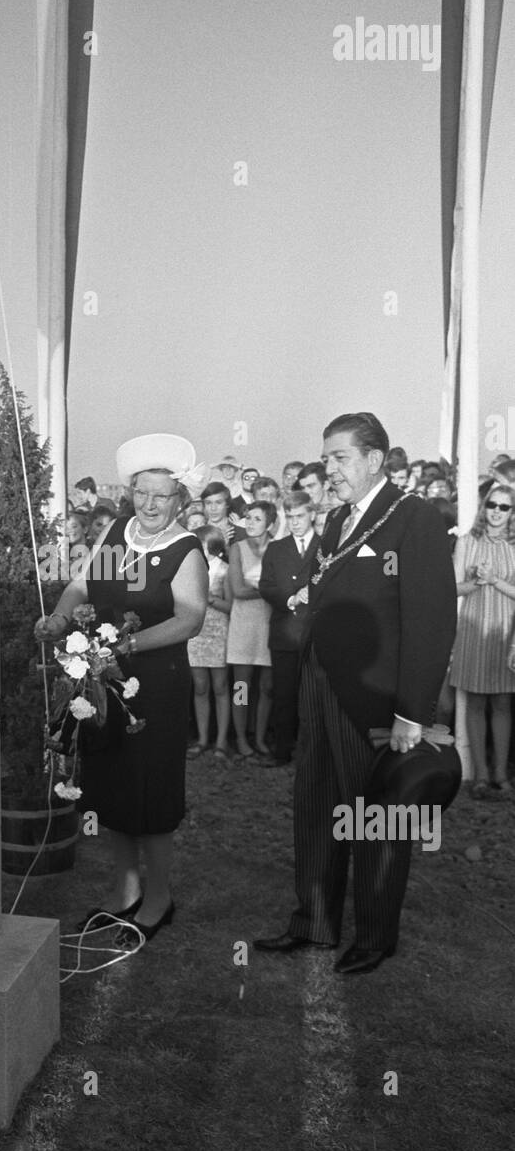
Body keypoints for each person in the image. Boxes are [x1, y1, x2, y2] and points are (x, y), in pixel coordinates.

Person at [255, 412, 457, 976]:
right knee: (316, 808)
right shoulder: (338, 519)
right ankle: (314, 921)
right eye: (326, 459)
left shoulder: (413, 516)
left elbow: (432, 622)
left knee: (376, 819)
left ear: (374, 459)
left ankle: (374, 934)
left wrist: (412, 713)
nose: (331, 470)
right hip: (319, 687)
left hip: (375, 701)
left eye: (340, 458)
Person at [34, 434, 208, 949]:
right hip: (102, 683)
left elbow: (189, 620)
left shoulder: (185, 549)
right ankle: (125, 889)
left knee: (151, 791)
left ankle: (159, 897)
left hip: (155, 689)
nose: (150, 505)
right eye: (141, 493)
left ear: (180, 499)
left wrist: (127, 645)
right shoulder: (116, 533)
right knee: (112, 784)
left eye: (162, 496)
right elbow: (83, 587)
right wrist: (60, 617)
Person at [449, 483, 515, 799]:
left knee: (502, 702)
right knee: (474, 702)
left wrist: (495, 580)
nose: (497, 512)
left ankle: (500, 774)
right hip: (473, 629)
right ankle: (480, 775)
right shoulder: (467, 542)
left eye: (504, 507)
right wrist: (477, 581)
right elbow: (452, 587)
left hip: (506, 631)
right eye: (492, 505)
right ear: (484, 506)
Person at [258, 491, 320, 766]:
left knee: (314, 697)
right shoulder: (276, 548)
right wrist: (290, 598)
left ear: (312, 514)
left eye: (300, 516)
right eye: (290, 517)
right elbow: (266, 586)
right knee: (283, 694)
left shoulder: (327, 546)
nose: (294, 522)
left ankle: (312, 754)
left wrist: (314, 593)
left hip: (316, 634)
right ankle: (282, 751)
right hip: (284, 632)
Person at [225, 500, 276, 758]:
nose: (251, 523)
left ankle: (260, 736)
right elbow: (238, 590)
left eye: (257, 518)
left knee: (267, 686)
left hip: (270, 624)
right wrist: (270, 591)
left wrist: (266, 590)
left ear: (270, 523)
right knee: (241, 686)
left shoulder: (279, 547)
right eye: (248, 518)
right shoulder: (237, 548)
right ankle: (241, 737)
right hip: (243, 624)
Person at [187, 525, 232, 761]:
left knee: (222, 687)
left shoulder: (225, 569)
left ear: (211, 545)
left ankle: (222, 741)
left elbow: (232, 606)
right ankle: (203, 739)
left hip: (218, 632)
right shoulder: (188, 569)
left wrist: (210, 599)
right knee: (200, 687)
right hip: (195, 633)